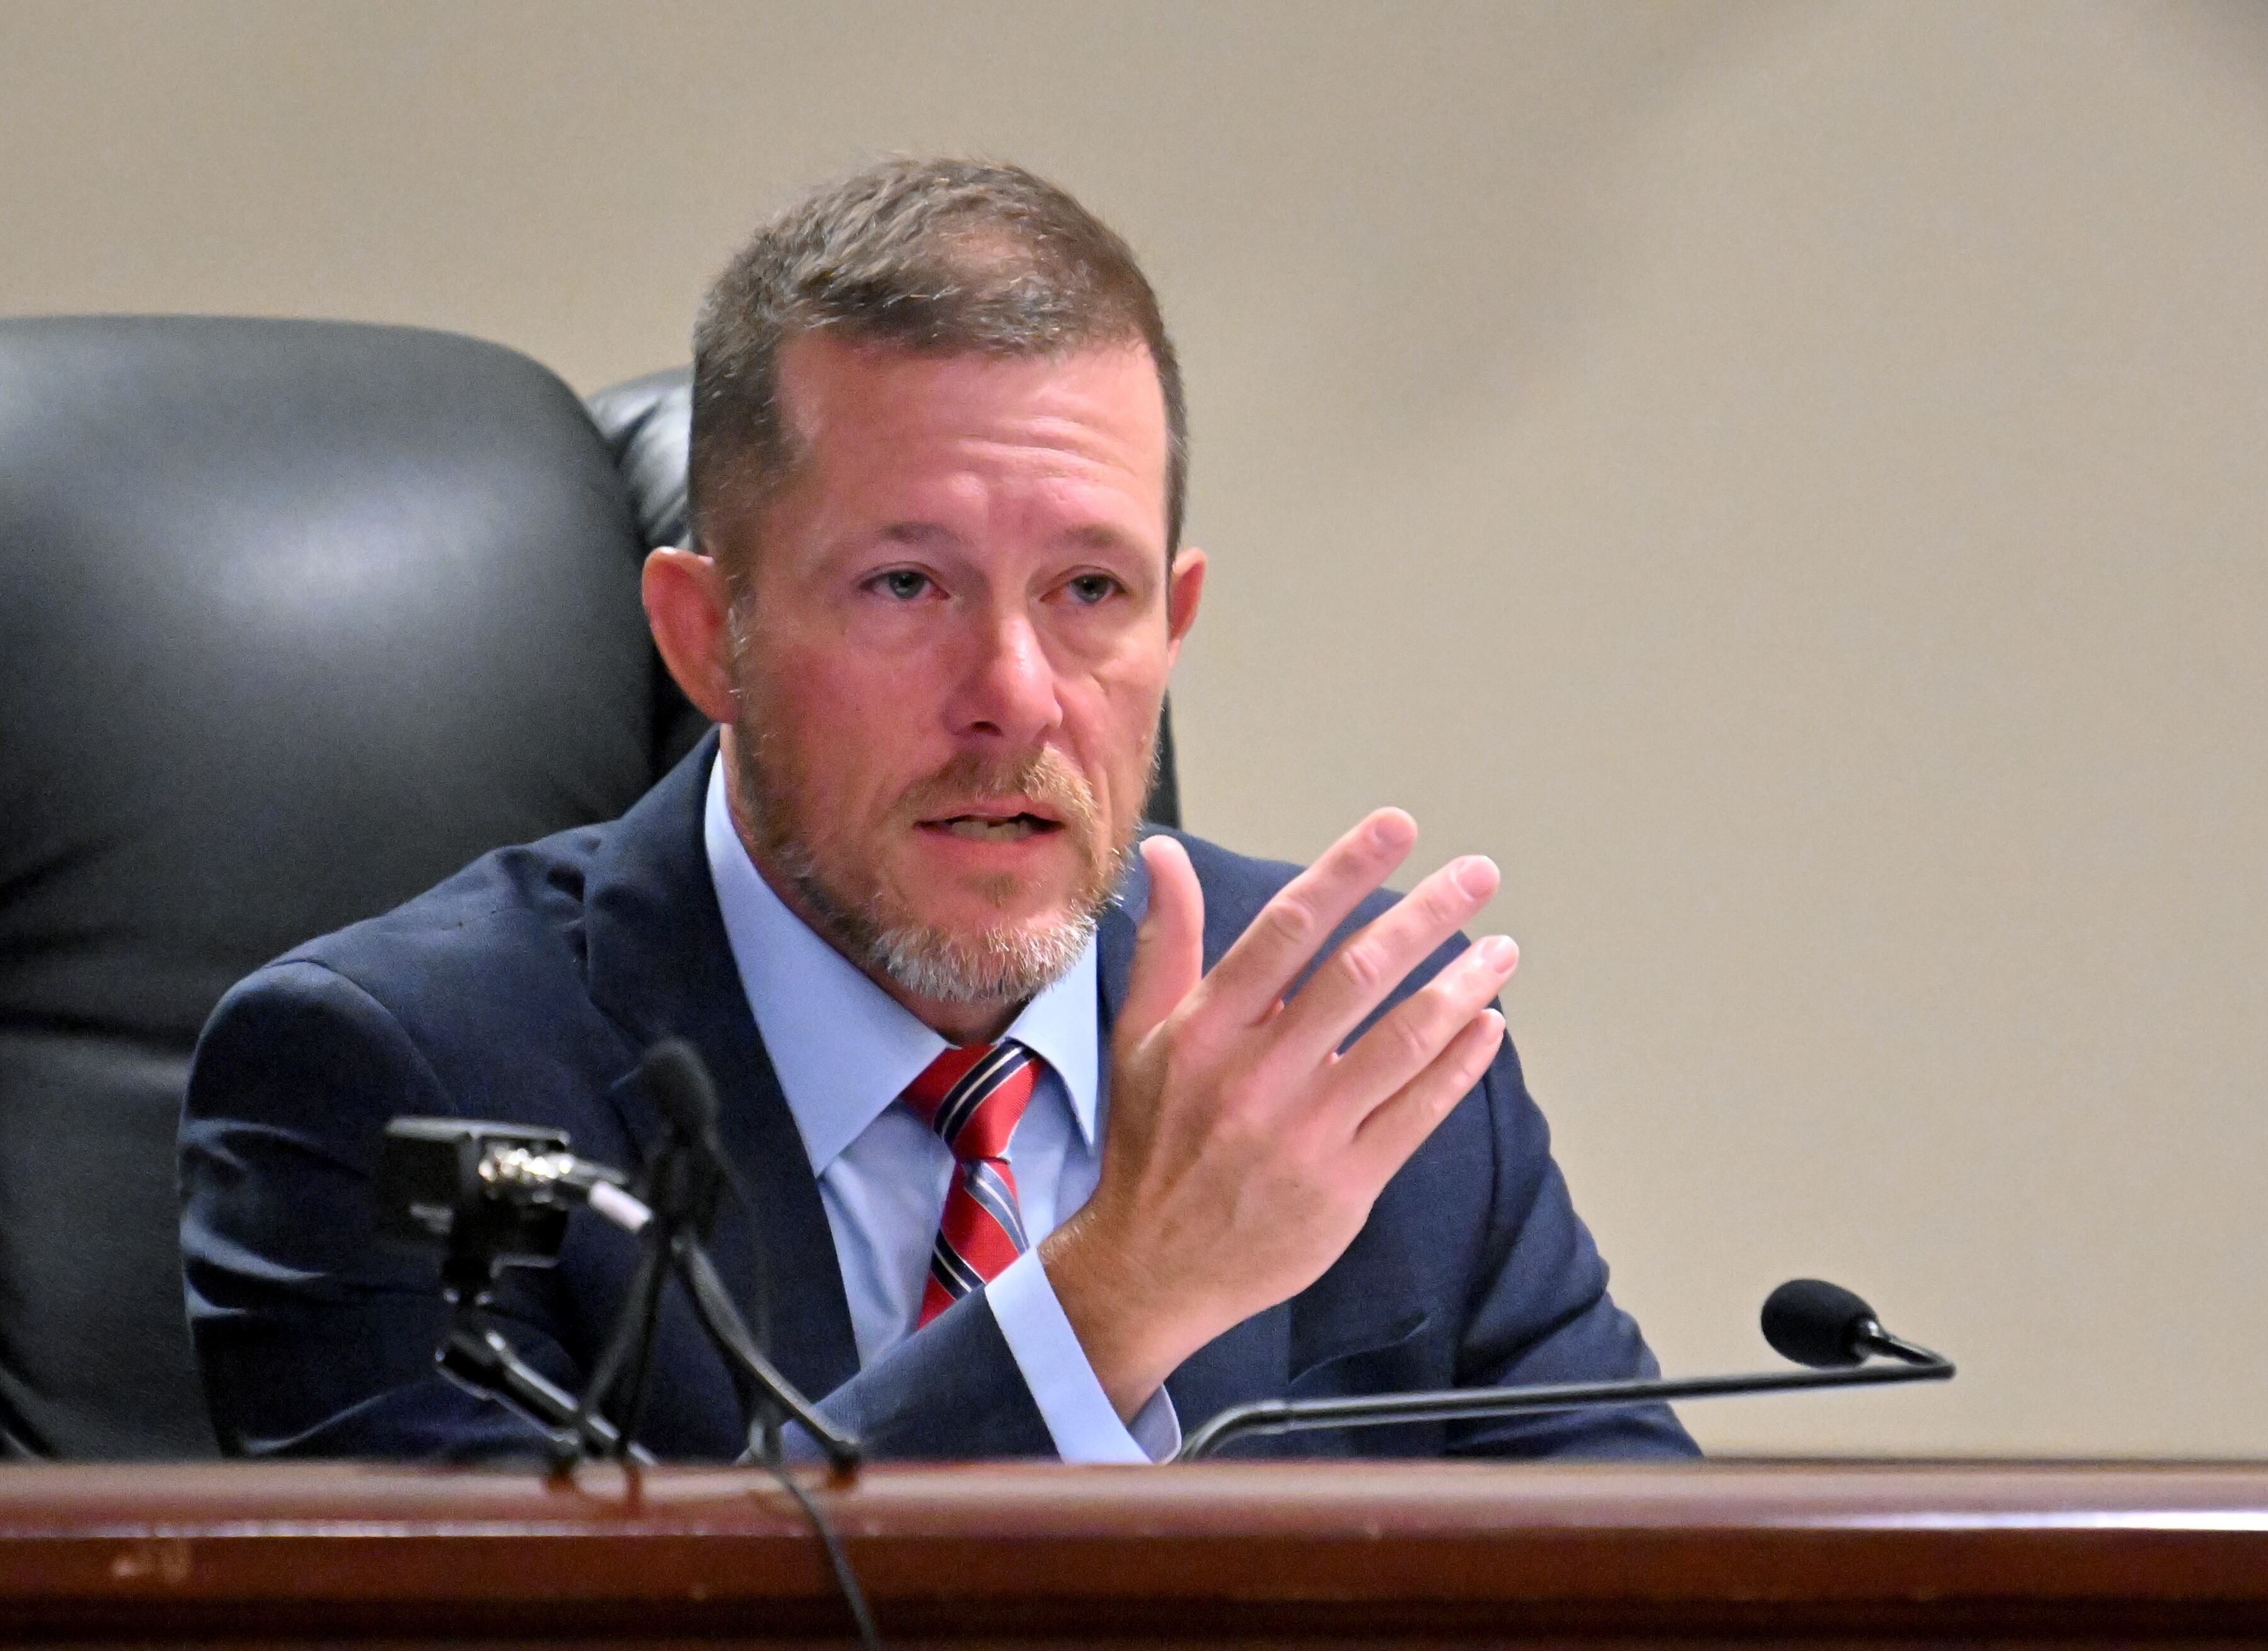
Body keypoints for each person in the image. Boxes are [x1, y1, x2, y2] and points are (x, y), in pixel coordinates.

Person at [179, 157, 1695, 1463]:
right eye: (907, 585)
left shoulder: (1353, 1048)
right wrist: (1107, 1307)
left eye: (1090, 591)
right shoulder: (389, 1080)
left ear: (1173, 624)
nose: (1015, 693)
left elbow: (1670, 1603)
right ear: (709, 634)